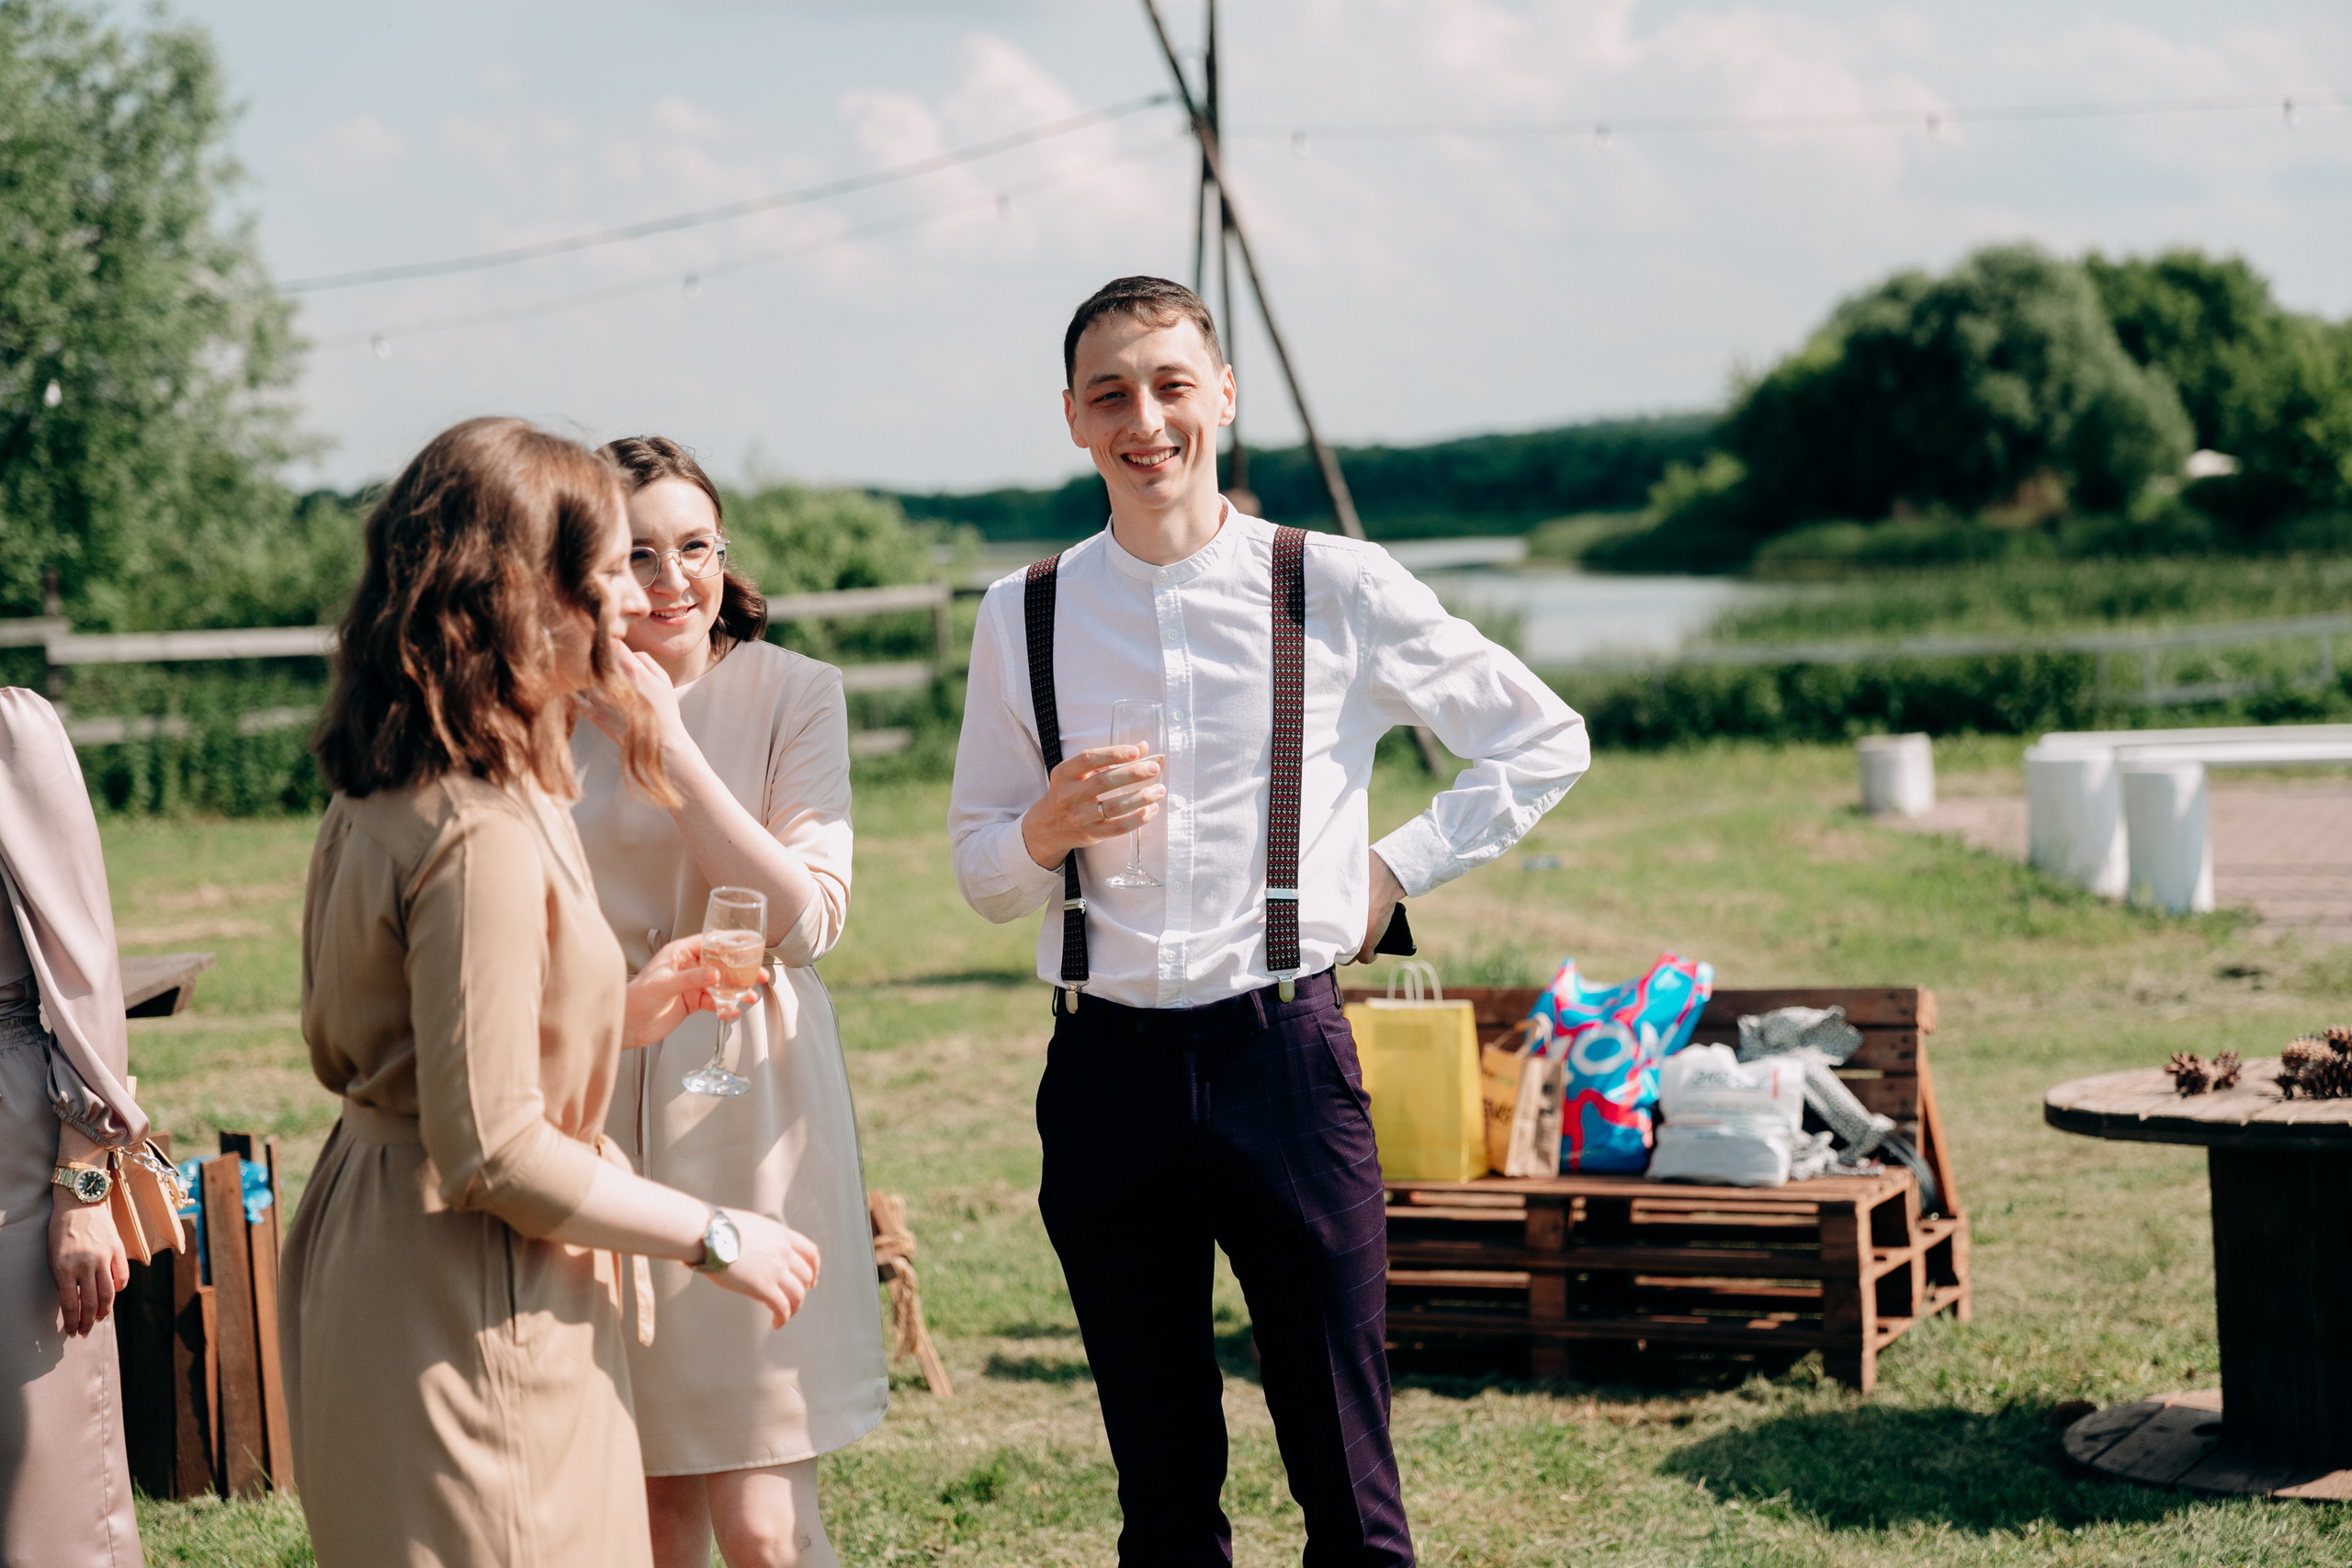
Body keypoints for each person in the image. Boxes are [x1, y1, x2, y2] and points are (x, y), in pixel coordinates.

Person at [947, 277, 1591, 1567]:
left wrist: (1394, 868)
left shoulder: (1334, 584)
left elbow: (1540, 737)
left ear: (1222, 396)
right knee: (1162, 1491)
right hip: (1104, 1070)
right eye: (1111, 393)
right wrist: (1042, 831)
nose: (1146, 418)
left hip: (1283, 1062)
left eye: (1172, 384)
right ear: (1073, 419)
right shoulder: (1021, 615)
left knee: (1347, 1483)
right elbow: (979, 865)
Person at [282, 416, 824, 1568]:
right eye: (604, 573)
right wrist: (716, 1233)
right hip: (469, 1292)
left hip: (367, 1248)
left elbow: (411, 1045)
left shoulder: (383, 786)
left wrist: (616, 1014)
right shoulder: (481, 828)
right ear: (522, 598)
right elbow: (493, 1150)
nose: (634, 602)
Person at [574, 435, 886, 1568]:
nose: (671, 583)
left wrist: (667, 745)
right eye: (636, 555)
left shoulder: (796, 693)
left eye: (693, 548)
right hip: (593, 1102)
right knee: (644, 1514)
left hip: (751, 1103)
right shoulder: (540, 705)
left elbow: (806, 922)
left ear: (724, 555)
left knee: (760, 1523)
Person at [0, 689, 146, 1568]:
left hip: (13, 1161)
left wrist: (82, 1191)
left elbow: (86, 984)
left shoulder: (10, 733)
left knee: (46, 1516)